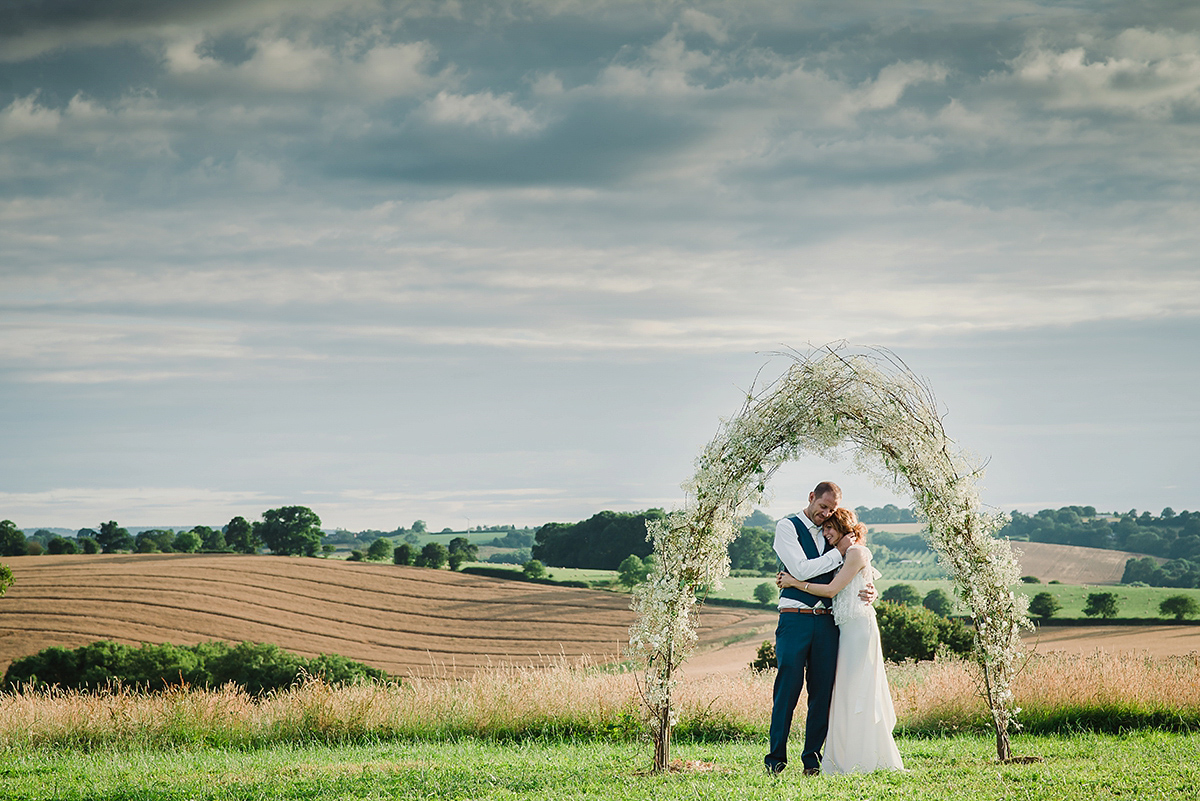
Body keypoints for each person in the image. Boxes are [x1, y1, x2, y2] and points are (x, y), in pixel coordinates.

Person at [778, 508, 905, 774]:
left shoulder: (855, 552)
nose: (825, 532)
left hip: (855, 629)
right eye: (823, 528)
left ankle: (860, 754)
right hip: (843, 629)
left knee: (853, 691)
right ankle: (842, 754)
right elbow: (861, 578)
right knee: (842, 692)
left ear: (842, 527)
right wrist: (871, 589)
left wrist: (793, 581)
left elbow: (836, 588)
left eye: (829, 527)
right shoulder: (842, 553)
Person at [764, 481, 875, 775]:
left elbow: (851, 572)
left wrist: (869, 588)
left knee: (822, 692)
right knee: (787, 689)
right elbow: (800, 569)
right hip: (795, 618)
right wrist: (838, 552)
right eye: (822, 507)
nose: (825, 515)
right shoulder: (787, 527)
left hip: (828, 621)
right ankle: (775, 759)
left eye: (831, 510)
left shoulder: (833, 533)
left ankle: (811, 759)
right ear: (811, 497)